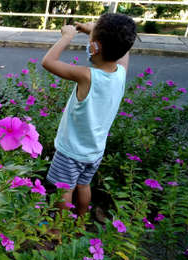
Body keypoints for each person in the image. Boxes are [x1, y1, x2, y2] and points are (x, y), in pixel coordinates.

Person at [42, 13, 137, 216]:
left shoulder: (87, 76)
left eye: (91, 39)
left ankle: (58, 229)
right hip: (94, 152)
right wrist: (93, 31)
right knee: (83, 185)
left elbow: (48, 61)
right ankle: (82, 220)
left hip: (70, 151)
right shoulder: (121, 71)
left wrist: (67, 36)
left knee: (64, 189)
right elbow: (121, 50)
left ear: (94, 47)